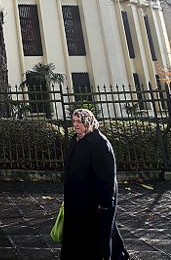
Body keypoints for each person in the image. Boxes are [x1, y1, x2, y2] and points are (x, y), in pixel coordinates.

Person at [60, 109, 129, 260]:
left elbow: (107, 176)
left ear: (88, 121)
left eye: (79, 121)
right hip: (77, 197)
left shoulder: (100, 143)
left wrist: (104, 202)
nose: (76, 125)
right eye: (74, 122)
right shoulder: (75, 139)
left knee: (97, 236)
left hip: (94, 199)